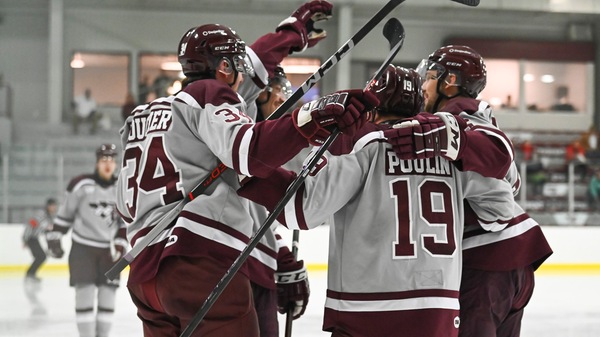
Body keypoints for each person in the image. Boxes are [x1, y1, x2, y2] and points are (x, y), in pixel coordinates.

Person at [115, 14, 376, 337]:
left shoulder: (142, 117)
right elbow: (249, 151)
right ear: (224, 67)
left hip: (143, 274)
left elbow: (125, 207)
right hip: (200, 262)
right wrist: (309, 117)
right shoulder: (208, 95)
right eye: (236, 63)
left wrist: (280, 254)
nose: (243, 74)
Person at [237, 65, 519, 337]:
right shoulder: (451, 157)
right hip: (438, 311)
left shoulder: (365, 148)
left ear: (372, 109)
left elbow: (302, 210)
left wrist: (249, 172)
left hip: (366, 308)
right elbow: (501, 210)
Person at [414, 44, 553, 337]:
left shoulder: (455, 120)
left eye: (429, 77)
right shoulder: (478, 117)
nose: (423, 86)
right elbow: (512, 182)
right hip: (510, 260)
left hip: (486, 265)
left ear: (449, 82)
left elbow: (498, 156)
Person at [46, 144, 128, 337]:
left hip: (109, 252)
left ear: (116, 163)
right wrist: (56, 235)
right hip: (83, 249)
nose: (108, 164)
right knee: (85, 294)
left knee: (108, 299)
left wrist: (120, 242)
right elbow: (66, 214)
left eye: (111, 160)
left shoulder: (122, 188)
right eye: (103, 160)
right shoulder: (80, 185)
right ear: (97, 162)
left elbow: (126, 221)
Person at [22, 197, 57, 284]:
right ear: (48, 206)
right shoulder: (41, 214)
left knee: (40, 256)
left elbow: (45, 230)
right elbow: (31, 225)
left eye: (55, 206)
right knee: (41, 256)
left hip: (34, 238)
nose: (54, 208)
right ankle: (30, 274)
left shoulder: (49, 217)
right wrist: (25, 239)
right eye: (52, 206)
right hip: (30, 238)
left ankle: (30, 274)